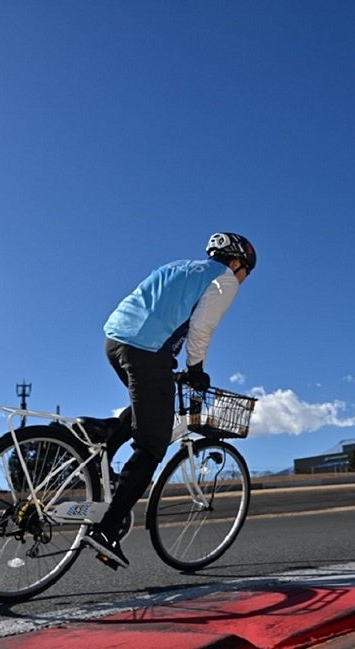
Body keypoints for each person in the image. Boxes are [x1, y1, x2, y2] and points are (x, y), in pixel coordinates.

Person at [82, 232, 257, 569]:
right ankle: (107, 528)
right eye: (246, 272)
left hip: (115, 340)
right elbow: (202, 327)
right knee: (153, 443)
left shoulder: (179, 266)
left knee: (144, 411)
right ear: (237, 262)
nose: (243, 279)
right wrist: (196, 370)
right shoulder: (225, 280)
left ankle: (99, 447)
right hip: (147, 351)